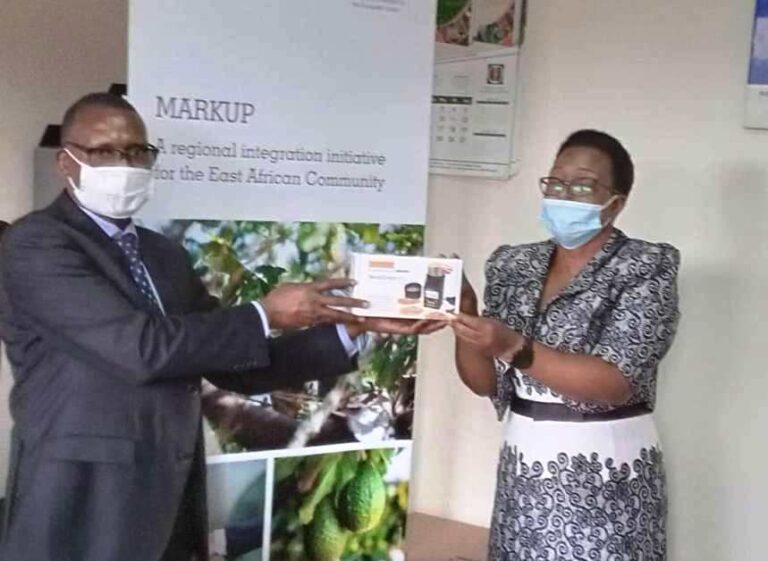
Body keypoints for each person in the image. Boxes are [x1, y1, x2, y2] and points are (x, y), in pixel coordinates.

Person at [0, 92, 441, 561]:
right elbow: (138, 349)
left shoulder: (162, 254)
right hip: (84, 491)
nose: (124, 163)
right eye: (104, 151)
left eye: (136, 152)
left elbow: (235, 363)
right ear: (65, 162)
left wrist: (352, 326)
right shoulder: (37, 244)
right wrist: (264, 313)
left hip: (170, 487)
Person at [452, 130, 680, 560]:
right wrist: (466, 316)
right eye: (555, 183)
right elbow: (486, 382)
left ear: (617, 200)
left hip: (608, 476)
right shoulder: (513, 264)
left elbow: (615, 381)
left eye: (582, 184)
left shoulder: (647, 266)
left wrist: (513, 346)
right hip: (524, 467)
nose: (564, 194)